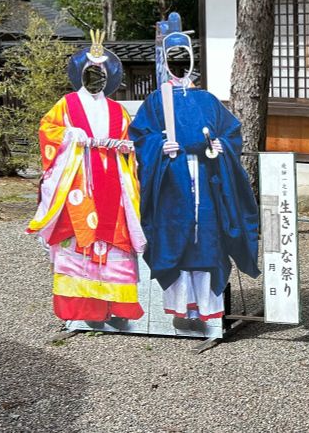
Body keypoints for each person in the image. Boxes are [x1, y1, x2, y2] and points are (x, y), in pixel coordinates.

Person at [129, 30, 260, 321]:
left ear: (191, 62)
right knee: (176, 236)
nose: (179, 66)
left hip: (205, 174)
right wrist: (159, 145)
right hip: (172, 178)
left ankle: (208, 309)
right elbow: (140, 136)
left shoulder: (207, 99)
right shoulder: (155, 100)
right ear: (165, 62)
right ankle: (180, 308)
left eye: (183, 59)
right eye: (173, 60)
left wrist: (220, 144)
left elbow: (231, 133)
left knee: (207, 237)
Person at [28, 31, 146, 321]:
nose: (97, 80)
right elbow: (48, 132)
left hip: (112, 179)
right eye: (92, 73)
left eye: (102, 75)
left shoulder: (118, 110)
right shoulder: (66, 104)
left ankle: (115, 305)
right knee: (79, 232)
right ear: (81, 75)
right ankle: (80, 307)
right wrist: (70, 135)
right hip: (78, 178)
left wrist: (128, 148)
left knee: (114, 235)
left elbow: (131, 144)